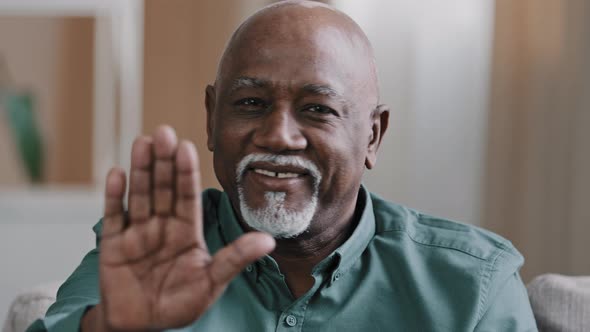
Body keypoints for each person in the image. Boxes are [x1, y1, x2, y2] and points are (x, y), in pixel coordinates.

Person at [27, 1, 537, 331]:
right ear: (211, 117)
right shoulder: (152, 249)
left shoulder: (472, 287)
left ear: (372, 135)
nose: (277, 135)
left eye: (318, 109)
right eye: (250, 103)